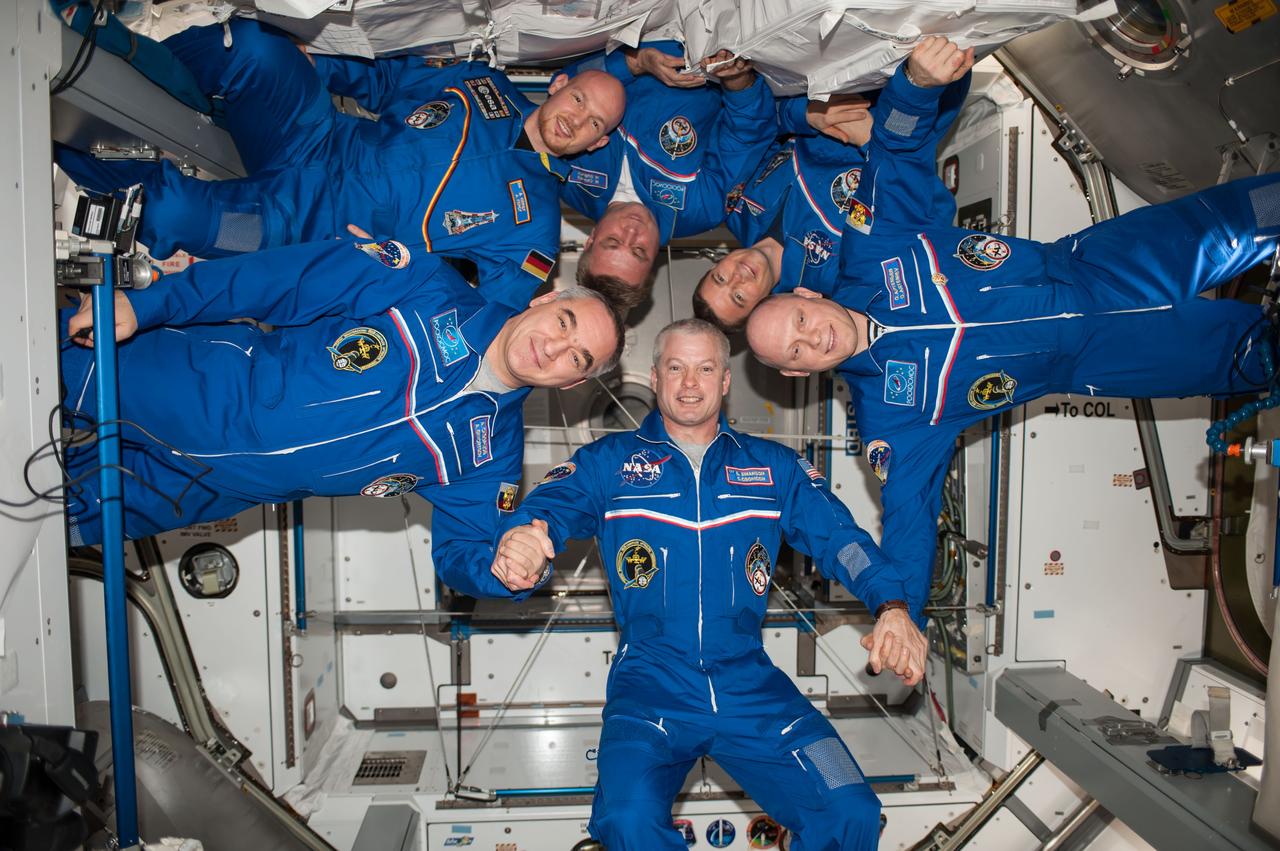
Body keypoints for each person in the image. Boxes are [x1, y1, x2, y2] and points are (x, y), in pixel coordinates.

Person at [438, 319, 926, 850]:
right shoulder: (607, 463)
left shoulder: (775, 468)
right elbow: (549, 509)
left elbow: (843, 541)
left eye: (705, 368)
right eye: (675, 367)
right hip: (649, 688)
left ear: (724, 381)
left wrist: (892, 605)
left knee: (851, 809)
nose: (690, 383)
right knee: (626, 819)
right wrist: (528, 539)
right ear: (654, 377)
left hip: (751, 686)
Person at [745, 171, 1280, 622]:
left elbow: (897, 151)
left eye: (800, 320)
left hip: (1099, 264)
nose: (813, 339)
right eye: (796, 350)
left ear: (806, 293)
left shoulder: (875, 245)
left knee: (1247, 218)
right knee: (1258, 357)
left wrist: (915, 92)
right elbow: (908, 525)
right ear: (797, 372)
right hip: (1113, 359)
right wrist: (897, 611)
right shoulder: (892, 422)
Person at [61, 236, 624, 551]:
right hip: (181, 381)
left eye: (577, 358)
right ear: (543, 301)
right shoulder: (427, 287)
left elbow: (469, 553)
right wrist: (151, 303)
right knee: (31, 378)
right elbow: (280, 279)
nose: (554, 348)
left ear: (574, 382)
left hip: (197, 490)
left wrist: (514, 566)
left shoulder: (491, 458)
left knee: (40, 519)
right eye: (565, 323)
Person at [55, 18, 626, 310]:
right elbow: (388, 80)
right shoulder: (484, 85)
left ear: (596, 144)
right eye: (579, 99)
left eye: (593, 123)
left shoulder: (536, 234)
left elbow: (477, 309)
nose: (576, 120)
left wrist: (384, 272)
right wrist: (318, 66)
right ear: (559, 84)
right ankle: (114, 55)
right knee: (254, 46)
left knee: (173, 213)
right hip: (319, 137)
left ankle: (58, 149)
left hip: (309, 231)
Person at [694, 37, 973, 331]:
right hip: (917, 97)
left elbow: (756, 123)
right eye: (739, 297)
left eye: (719, 278)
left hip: (842, 58)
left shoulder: (733, 207)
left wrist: (805, 115)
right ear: (762, 308)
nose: (737, 277)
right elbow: (929, 214)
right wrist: (871, 142)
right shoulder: (837, 276)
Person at [560, 43, 777, 301]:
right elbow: (746, 134)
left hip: (628, 34)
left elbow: (564, 86)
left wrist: (635, 63)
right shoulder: (699, 209)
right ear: (654, 257)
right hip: (709, 48)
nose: (631, 232)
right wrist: (736, 78)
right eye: (639, 250)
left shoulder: (567, 178)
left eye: (613, 241)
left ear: (591, 239)